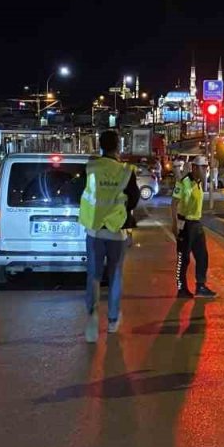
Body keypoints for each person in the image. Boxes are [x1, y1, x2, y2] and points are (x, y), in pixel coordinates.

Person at [79, 130, 141, 343]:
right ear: (118, 147)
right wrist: (121, 209)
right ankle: (113, 319)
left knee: (93, 275)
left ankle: (92, 313)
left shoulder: (91, 167)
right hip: (117, 231)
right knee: (115, 275)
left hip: (95, 230)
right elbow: (134, 199)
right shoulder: (126, 171)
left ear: (101, 146)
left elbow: (83, 192)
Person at [173, 156, 215, 298]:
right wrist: (174, 225)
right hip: (185, 224)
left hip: (196, 223)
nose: (205, 170)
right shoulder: (184, 182)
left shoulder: (199, 183)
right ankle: (181, 288)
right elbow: (174, 203)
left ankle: (201, 286)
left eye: (206, 167)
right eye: (203, 167)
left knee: (202, 256)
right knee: (183, 258)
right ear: (195, 168)